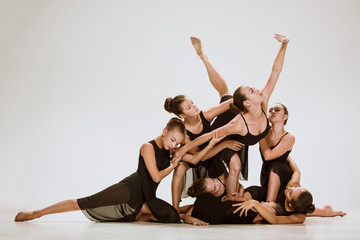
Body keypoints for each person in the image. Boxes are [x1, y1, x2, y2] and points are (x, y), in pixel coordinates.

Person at [177, 34, 290, 196]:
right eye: (252, 91)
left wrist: (284, 45)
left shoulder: (263, 103)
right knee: (235, 166)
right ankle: (230, 199)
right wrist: (184, 150)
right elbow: (210, 135)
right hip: (220, 139)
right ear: (247, 103)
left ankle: (203, 57)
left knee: (226, 94)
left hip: (234, 117)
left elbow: (275, 71)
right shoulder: (237, 124)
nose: (258, 90)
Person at [15, 118, 187, 223]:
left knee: (171, 215)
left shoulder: (168, 149)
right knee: (85, 202)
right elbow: (156, 177)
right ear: (164, 132)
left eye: (177, 143)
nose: (174, 145)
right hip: (130, 190)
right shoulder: (147, 147)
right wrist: (173, 165)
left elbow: (190, 144)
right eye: (172, 140)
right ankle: (36, 214)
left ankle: (140, 216)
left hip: (147, 196)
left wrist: (208, 142)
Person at [165, 36, 244, 210]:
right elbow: (201, 157)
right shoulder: (184, 134)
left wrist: (243, 102)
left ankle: (203, 57)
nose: (194, 106)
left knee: (227, 95)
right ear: (181, 114)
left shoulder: (204, 115)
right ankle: (175, 208)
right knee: (179, 169)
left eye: (192, 102)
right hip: (201, 156)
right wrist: (225, 145)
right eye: (189, 107)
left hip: (212, 146)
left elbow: (226, 102)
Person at [181, 193, 305, 225]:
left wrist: (255, 203)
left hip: (212, 212)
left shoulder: (260, 215)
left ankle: (182, 215)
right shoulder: (254, 208)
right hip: (211, 205)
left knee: (186, 212)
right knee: (189, 210)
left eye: (268, 203)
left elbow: (274, 220)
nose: (264, 201)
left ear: (271, 210)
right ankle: (182, 214)